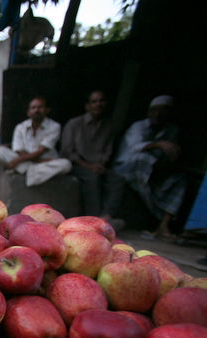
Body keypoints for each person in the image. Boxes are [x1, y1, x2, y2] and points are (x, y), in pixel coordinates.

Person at [110, 95, 187, 239]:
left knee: (180, 180)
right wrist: (159, 144)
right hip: (129, 169)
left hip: (156, 173)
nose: (158, 114)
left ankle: (163, 225)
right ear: (149, 112)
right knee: (143, 160)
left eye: (163, 111)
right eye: (155, 110)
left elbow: (173, 156)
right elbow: (134, 148)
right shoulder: (138, 127)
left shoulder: (172, 130)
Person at [60, 90, 124, 226]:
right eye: (94, 101)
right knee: (92, 178)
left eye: (101, 101)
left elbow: (108, 150)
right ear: (87, 106)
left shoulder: (108, 126)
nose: (98, 104)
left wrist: (101, 164)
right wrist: (88, 166)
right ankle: (94, 220)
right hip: (77, 164)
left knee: (117, 179)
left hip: (98, 165)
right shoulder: (74, 124)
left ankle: (107, 217)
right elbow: (67, 151)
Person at [0, 96, 72, 186]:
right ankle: (32, 173)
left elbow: (41, 151)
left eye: (40, 107)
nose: (36, 110)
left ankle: (27, 172)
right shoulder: (20, 127)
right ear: (28, 112)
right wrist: (38, 161)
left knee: (66, 164)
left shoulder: (54, 126)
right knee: (0, 151)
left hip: (45, 163)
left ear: (47, 110)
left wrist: (16, 161)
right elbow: (19, 150)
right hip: (36, 162)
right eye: (33, 108)